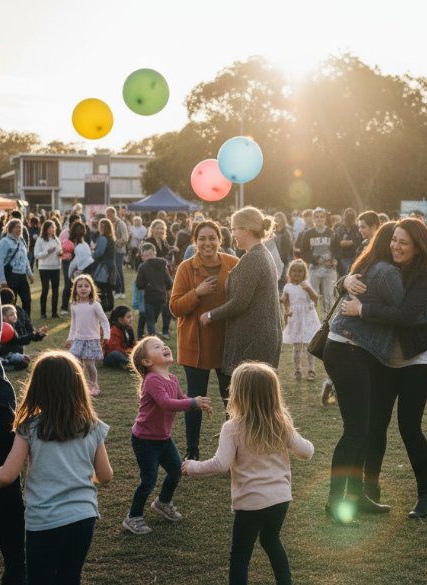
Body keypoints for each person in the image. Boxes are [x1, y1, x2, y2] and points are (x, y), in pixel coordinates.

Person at [0, 350, 112, 585]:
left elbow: (7, 476)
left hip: (45, 521)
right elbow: (105, 475)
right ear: (78, 385)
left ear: (37, 387)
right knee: (70, 577)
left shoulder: (29, 428)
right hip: (83, 517)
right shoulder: (93, 426)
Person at [339, 218, 427, 519]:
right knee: (374, 425)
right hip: (382, 357)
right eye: (394, 239)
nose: (396, 246)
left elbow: (407, 315)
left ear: (418, 246)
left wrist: (364, 310)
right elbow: (354, 275)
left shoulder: (426, 276)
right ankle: (369, 491)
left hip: (417, 358)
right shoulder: (381, 262)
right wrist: (344, 282)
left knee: (409, 427)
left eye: (404, 242)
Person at [183, 362, 314, 585]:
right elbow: (307, 452)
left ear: (238, 394)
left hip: (250, 502)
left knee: (241, 552)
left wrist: (191, 466)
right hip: (280, 499)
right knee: (272, 541)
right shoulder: (281, 424)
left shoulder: (233, 427)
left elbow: (220, 464)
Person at [123, 336, 213, 534]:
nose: (164, 346)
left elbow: (180, 398)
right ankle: (133, 516)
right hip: (145, 440)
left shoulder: (171, 378)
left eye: (163, 344)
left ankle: (162, 502)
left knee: (176, 471)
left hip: (163, 438)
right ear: (147, 362)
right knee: (148, 480)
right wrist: (193, 403)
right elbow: (166, 403)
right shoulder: (152, 380)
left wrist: (196, 402)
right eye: (156, 347)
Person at [170, 220, 240, 461]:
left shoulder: (233, 264)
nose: (207, 243)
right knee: (195, 400)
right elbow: (175, 307)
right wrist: (197, 293)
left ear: (220, 240)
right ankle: (193, 450)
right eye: (202, 238)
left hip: (226, 344)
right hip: (195, 345)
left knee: (231, 400)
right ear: (195, 242)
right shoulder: (186, 268)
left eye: (212, 238)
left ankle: (233, 450)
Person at [201, 207, 283, 375]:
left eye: (234, 229)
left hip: (255, 338)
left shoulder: (254, 258)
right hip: (260, 334)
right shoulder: (260, 254)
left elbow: (240, 302)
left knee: (250, 395)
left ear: (246, 229)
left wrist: (210, 315)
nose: (233, 234)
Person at [65, 274, 111, 396]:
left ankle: (94, 384)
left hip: (92, 340)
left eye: (86, 286)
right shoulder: (74, 305)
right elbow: (73, 324)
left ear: (91, 288)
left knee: (90, 365)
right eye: (80, 286)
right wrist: (70, 338)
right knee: (76, 363)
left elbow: (104, 321)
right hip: (78, 340)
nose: (83, 289)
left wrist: (106, 335)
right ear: (75, 289)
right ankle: (78, 385)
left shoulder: (94, 305)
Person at [281, 259, 321, 381]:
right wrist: (286, 312)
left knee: (309, 346)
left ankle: (311, 370)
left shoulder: (307, 284)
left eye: (300, 271)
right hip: (296, 319)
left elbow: (316, 299)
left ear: (304, 273)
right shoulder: (288, 287)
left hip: (308, 317)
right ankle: (297, 370)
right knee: (297, 346)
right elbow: (285, 302)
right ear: (290, 272)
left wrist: (308, 290)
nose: (297, 273)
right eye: (294, 271)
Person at [296, 208, 337, 312]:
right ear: (313, 218)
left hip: (329, 268)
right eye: (317, 216)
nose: (319, 219)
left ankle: (327, 319)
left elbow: (337, 249)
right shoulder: (308, 234)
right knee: (313, 294)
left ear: (325, 218)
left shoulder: (331, 232)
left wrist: (333, 260)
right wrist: (314, 260)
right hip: (314, 268)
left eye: (322, 216)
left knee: (328, 295)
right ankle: (313, 318)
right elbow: (304, 252)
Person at [0, 218, 34, 318]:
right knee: (11, 302)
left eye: (20, 227)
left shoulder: (22, 242)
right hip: (11, 275)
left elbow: (25, 259)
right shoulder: (4, 242)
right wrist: (3, 280)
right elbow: (0, 262)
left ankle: (26, 323)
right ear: (11, 228)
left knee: (27, 300)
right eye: (17, 227)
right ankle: (11, 324)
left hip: (22, 276)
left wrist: (29, 274)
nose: (19, 229)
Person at [136, 242, 174, 339]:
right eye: (147, 255)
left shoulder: (142, 266)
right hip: (162, 296)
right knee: (165, 314)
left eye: (148, 255)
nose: (148, 257)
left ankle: (152, 337)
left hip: (149, 297)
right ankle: (165, 332)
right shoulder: (162, 265)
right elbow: (169, 282)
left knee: (151, 319)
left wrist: (146, 285)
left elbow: (139, 285)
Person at [34, 220, 62, 319]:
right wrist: (47, 252)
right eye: (51, 227)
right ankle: (43, 313)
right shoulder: (40, 240)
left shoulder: (57, 240)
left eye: (54, 227)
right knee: (45, 289)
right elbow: (36, 255)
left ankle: (54, 312)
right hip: (44, 268)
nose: (53, 229)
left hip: (56, 267)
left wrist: (60, 254)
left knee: (55, 291)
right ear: (46, 228)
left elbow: (59, 252)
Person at [90, 218, 118, 311]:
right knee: (108, 288)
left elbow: (99, 253)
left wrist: (91, 255)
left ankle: (104, 308)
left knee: (101, 287)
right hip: (110, 266)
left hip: (103, 266)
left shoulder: (102, 238)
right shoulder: (111, 238)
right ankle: (109, 307)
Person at [0, 304, 32, 370]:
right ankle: (5, 364)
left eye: (15, 314)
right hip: (4, 354)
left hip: (12, 353)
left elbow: (18, 341)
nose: (15, 316)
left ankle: (8, 365)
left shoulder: (16, 325)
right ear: (4, 317)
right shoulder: (0, 328)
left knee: (24, 361)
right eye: (11, 315)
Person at [106, 206, 129, 296]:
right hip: (111, 251)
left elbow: (125, 238)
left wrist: (115, 243)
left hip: (119, 250)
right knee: (113, 270)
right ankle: (115, 289)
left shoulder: (120, 223)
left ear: (113, 214)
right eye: (107, 215)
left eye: (109, 215)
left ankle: (122, 291)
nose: (108, 216)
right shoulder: (109, 223)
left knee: (118, 270)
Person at [333, 208, 360, 276]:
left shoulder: (357, 228)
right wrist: (351, 242)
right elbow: (338, 242)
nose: (350, 221)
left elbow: (359, 241)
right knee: (345, 275)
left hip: (355, 256)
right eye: (348, 218)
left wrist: (351, 242)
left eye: (351, 218)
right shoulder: (338, 228)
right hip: (342, 257)